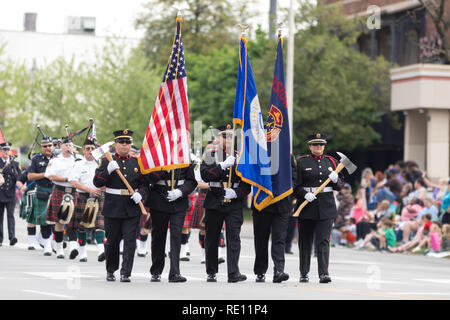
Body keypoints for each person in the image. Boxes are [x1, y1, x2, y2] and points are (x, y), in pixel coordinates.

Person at [93, 129, 147, 282]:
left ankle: (126, 272)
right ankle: (111, 270)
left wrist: (141, 194)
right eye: (121, 142)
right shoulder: (106, 161)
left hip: (131, 206)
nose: (124, 145)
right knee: (112, 241)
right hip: (113, 205)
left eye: (127, 142)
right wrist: (107, 171)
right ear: (115, 144)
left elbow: (145, 184)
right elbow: (97, 182)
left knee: (130, 241)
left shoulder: (137, 162)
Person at [200, 124, 251, 283]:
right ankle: (211, 271)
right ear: (218, 138)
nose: (228, 139)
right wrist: (221, 166)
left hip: (234, 202)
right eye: (224, 136)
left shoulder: (241, 156)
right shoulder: (211, 155)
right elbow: (205, 175)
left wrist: (236, 193)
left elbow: (247, 184)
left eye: (230, 136)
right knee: (212, 238)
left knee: (234, 237)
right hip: (215, 199)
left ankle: (233, 272)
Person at [292, 132, 345, 284]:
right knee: (305, 241)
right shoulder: (301, 162)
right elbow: (294, 185)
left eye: (321, 144)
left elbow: (340, 185)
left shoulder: (332, 162)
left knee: (323, 241)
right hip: (307, 206)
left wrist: (335, 181)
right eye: (315, 144)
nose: (319, 147)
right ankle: (304, 272)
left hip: (326, 206)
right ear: (310, 146)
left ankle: (324, 273)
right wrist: (303, 194)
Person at [143, 163, 197, 283]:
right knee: (158, 236)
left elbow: (191, 181)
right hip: (159, 199)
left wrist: (180, 191)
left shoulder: (184, 157)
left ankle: (175, 272)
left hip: (178, 200)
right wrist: (164, 169)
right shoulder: (158, 156)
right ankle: (156, 271)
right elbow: (149, 178)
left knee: (176, 236)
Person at [251, 154, 296, 284]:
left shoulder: (287, 155)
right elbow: (253, 174)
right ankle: (260, 271)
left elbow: (294, 177)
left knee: (279, 238)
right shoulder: (259, 153)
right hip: (262, 202)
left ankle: (279, 270)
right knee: (261, 239)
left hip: (282, 204)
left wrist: (283, 190)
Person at [68, 138, 106, 262]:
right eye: (87, 149)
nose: (90, 151)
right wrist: (90, 190)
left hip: (99, 196)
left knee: (100, 225)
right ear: (83, 150)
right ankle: (83, 253)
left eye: (92, 148)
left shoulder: (101, 163)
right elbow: (73, 182)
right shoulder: (78, 164)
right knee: (82, 226)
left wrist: (105, 186)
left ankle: (101, 251)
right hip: (84, 196)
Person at [44, 137, 77, 258]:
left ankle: (73, 247)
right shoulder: (56, 160)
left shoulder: (77, 160)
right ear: (61, 147)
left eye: (70, 145)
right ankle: (59, 249)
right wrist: (66, 179)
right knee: (59, 221)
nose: (68, 147)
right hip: (60, 190)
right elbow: (51, 176)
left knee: (73, 220)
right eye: (66, 145)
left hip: (74, 191)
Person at [25, 136, 55, 252]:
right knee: (45, 219)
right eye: (44, 146)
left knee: (56, 219)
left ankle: (54, 242)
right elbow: (30, 176)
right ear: (41, 147)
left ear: (53, 146)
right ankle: (47, 244)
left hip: (57, 191)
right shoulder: (36, 160)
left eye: (49, 145)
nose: (47, 148)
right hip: (42, 191)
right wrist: (45, 174)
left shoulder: (59, 158)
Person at [0, 142, 21, 247]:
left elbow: (19, 178)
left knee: (10, 216)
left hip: (11, 194)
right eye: (4, 150)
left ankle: (12, 237)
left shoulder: (14, 164)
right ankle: (0, 239)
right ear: (1, 151)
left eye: (7, 150)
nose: (6, 152)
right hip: (0, 193)